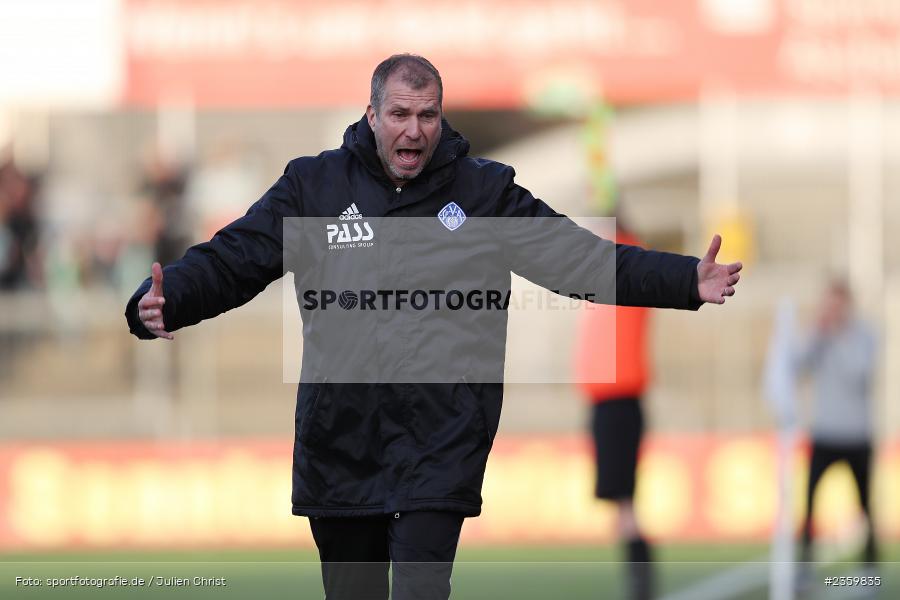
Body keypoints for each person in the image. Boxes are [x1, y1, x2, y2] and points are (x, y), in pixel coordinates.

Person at [125, 54, 743, 600]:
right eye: (399, 114)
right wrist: (167, 299)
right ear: (371, 116)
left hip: (440, 438)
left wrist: (684, 279)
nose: (413, 130)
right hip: (342, 439)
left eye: (427, 115)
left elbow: (577, 257)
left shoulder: (483, 194)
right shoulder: (314, 187)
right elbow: (236, 257)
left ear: (441, 118)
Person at [574, 220, 653, 600]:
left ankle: (641, 584)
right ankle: (639, 582)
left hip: (619, 403)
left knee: (624, 505)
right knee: (620, 505)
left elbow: (624, 239)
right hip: (606, 404)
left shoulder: (629, 269)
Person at [796, 280, 878, 572]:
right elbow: (797, 365)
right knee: (808, 505)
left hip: (856, 435)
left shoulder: (864, 334)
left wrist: (838, 336)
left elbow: (859, 373)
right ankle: (804, 566)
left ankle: (870, 569)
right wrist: (817, 334)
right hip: (825, 434)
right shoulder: (819, 335)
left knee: (866, 506)